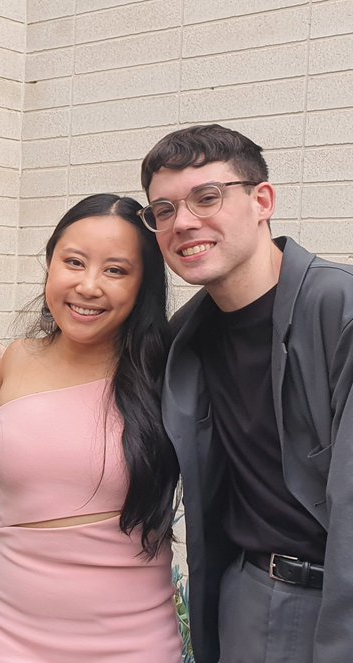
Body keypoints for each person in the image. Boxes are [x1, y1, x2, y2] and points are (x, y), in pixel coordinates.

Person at [143, 124, 353, 663]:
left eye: (206, 197)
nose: (183, 222)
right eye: (163, 210)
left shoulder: (341, 307)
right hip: (248, 597)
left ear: (263, 200)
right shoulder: (187, 335)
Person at [0, 194, 181, 662]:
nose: (88, 286)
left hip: (132, 639)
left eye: (115, 270)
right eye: (73, 262)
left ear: (142, 284)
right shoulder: (15, 359)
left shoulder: (167, 373)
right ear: (50, 263)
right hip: (11, 634)